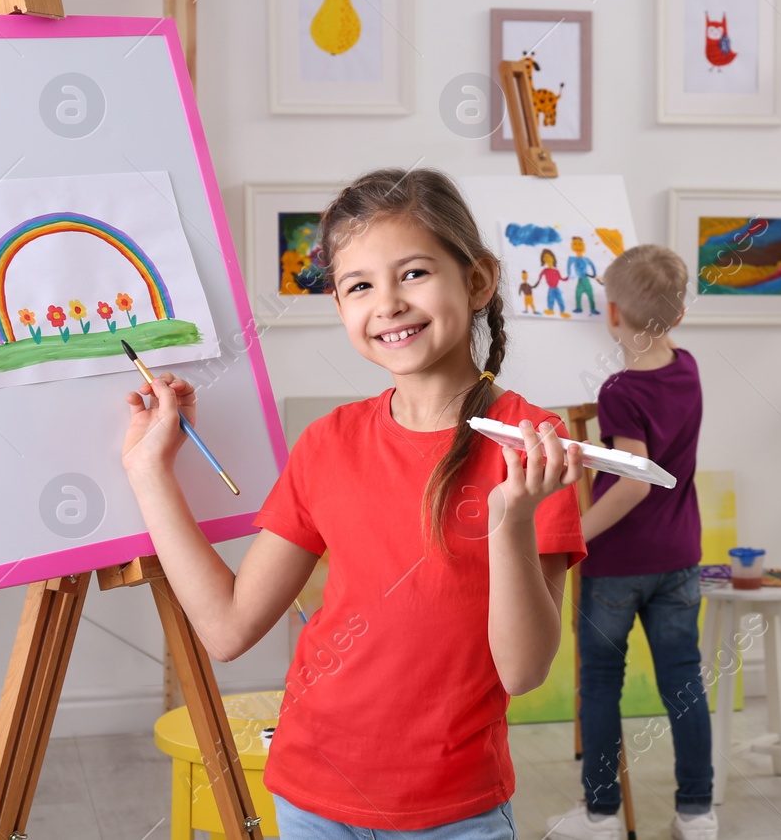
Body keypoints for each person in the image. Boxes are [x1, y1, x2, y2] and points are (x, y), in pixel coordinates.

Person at [121, 168, 586, 838]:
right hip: (312, 795)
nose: (388, 302)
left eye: (415, 272)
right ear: (339, 305)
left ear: (478, 280)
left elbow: (522, 670)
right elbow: (226, 627)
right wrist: (148, 470)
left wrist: (510, 521)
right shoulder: (327, 443)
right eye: (360, 285)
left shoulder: (532, 446)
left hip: (455, 810)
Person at [546, 244, 715, 840]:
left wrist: (571, 535)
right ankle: (697, 812)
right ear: (678, 317)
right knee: (685, 683)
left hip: (617, 565)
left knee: (598, 686)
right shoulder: (687, 367)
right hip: (680, 559)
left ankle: (601, 815)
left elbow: (633, 484)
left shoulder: (620, 390)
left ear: (611, 313)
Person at [567, 236, 601, 316]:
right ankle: (579, 308)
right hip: (580, 279)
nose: (578, 246)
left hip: (586, 279)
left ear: (583, 245)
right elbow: (568, 266)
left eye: (580, 244)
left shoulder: (586, 259)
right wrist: (569, 275)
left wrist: (594, 274)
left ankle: (593, 309)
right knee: (578, 294)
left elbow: (592, 266)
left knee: (590, 295)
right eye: (575, 244)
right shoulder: (572, 259)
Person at [539, 247, 569, 317]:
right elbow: (540, 277)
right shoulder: (545, 271)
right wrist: (537, 283)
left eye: (549, 257)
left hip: (556, 288)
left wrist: (568, 277)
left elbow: (561, 278)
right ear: (543, 259)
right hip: (551, 288)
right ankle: (551, 310)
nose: (547, 259)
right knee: (550, 299)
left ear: (553, 258)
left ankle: (562, 311)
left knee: (560, 299)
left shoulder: (556, 271)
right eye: (545, 257)